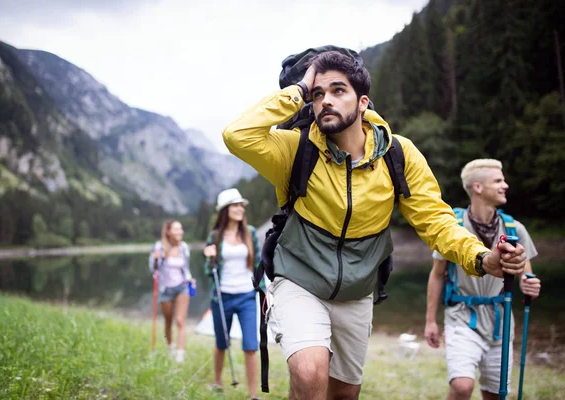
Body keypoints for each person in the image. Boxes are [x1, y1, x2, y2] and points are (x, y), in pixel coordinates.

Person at [221, 50, 527, 400]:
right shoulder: (295, 150)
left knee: (345, 393)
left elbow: (436, 221)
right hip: (298, 279)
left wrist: (482, 257)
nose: (326, 101)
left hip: (357, 291)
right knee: (308, 375)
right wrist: (300, 89)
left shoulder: (399, 154)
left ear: (363, 101)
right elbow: (237, 135)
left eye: (338, 91)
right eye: (318, 94)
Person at [424, 159, 541, 400]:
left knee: (495, 393)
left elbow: (526, 273)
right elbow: (436, 275)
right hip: (462, 316)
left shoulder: (514, 229)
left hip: (501, 319)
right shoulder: (453, 228)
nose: (505, 185)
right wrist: (430, 321)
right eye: (498, 180)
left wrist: (529, 284)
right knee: (462, 386)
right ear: (477, 187)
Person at [203, 188, 263, 399]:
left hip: (247, 296)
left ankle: (253, 394)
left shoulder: (251, 233)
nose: (240, 209)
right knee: (221, 343)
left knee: (250, 346)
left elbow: (258, 264)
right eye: (235, 205)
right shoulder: (215, 236)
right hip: (222, 297)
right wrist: (209, 258)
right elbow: (209, 272)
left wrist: (264, 287)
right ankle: (217, 383)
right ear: (225, 210)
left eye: (241, 206)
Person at [149, 220, 194, 363]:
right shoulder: (159, 247)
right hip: (165, 288)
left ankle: (180, 355)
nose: (180, 232)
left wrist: (189, 278)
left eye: (181, 229)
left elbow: (186, 267)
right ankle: (170, 348)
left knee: (180, 320)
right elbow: (153, 268)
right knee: (168, 321)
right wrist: (156, 259)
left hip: (182, 287)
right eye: (176, 229)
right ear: (168, 232)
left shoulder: (184, 247)